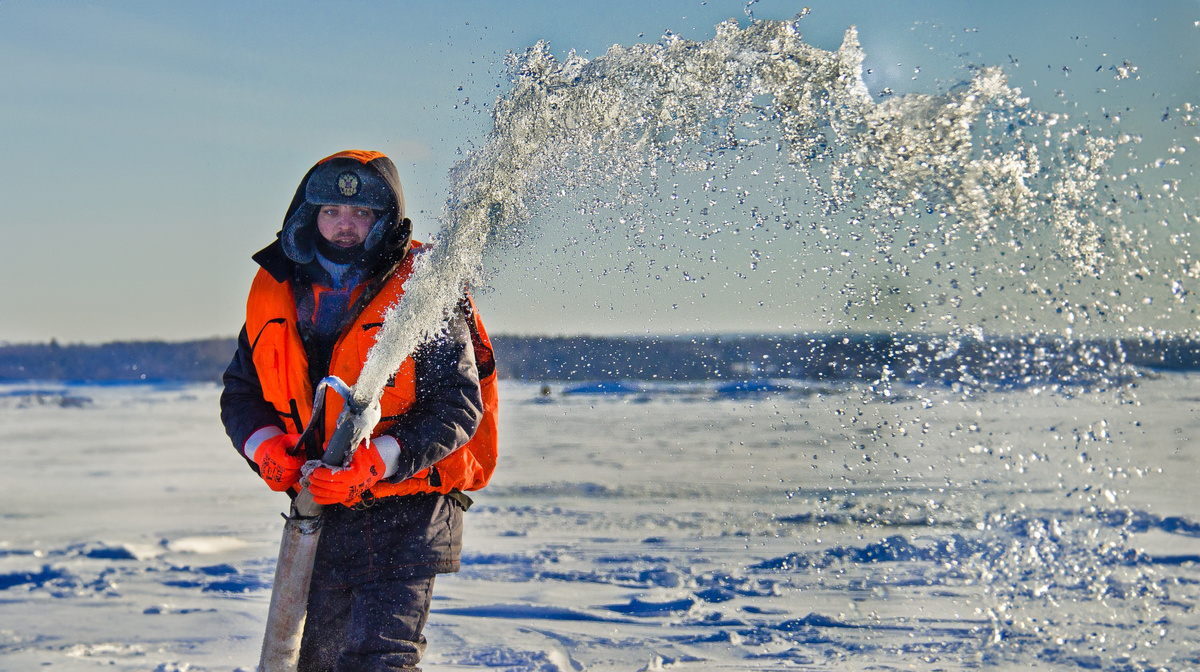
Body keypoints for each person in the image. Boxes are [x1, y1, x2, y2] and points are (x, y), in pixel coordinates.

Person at [220, 149, 498, 671]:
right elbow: (241, 393)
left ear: (384, 220)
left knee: (379, 661)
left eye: (361, 214)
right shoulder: (275, 288)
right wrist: (267, 451)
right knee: (319, 662)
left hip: (410, 510)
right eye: (332, 212)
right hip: (325, 512)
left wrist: (378, 462)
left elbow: (459, 407)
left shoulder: (424, 287)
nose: (345, 226)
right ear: (309, 214)